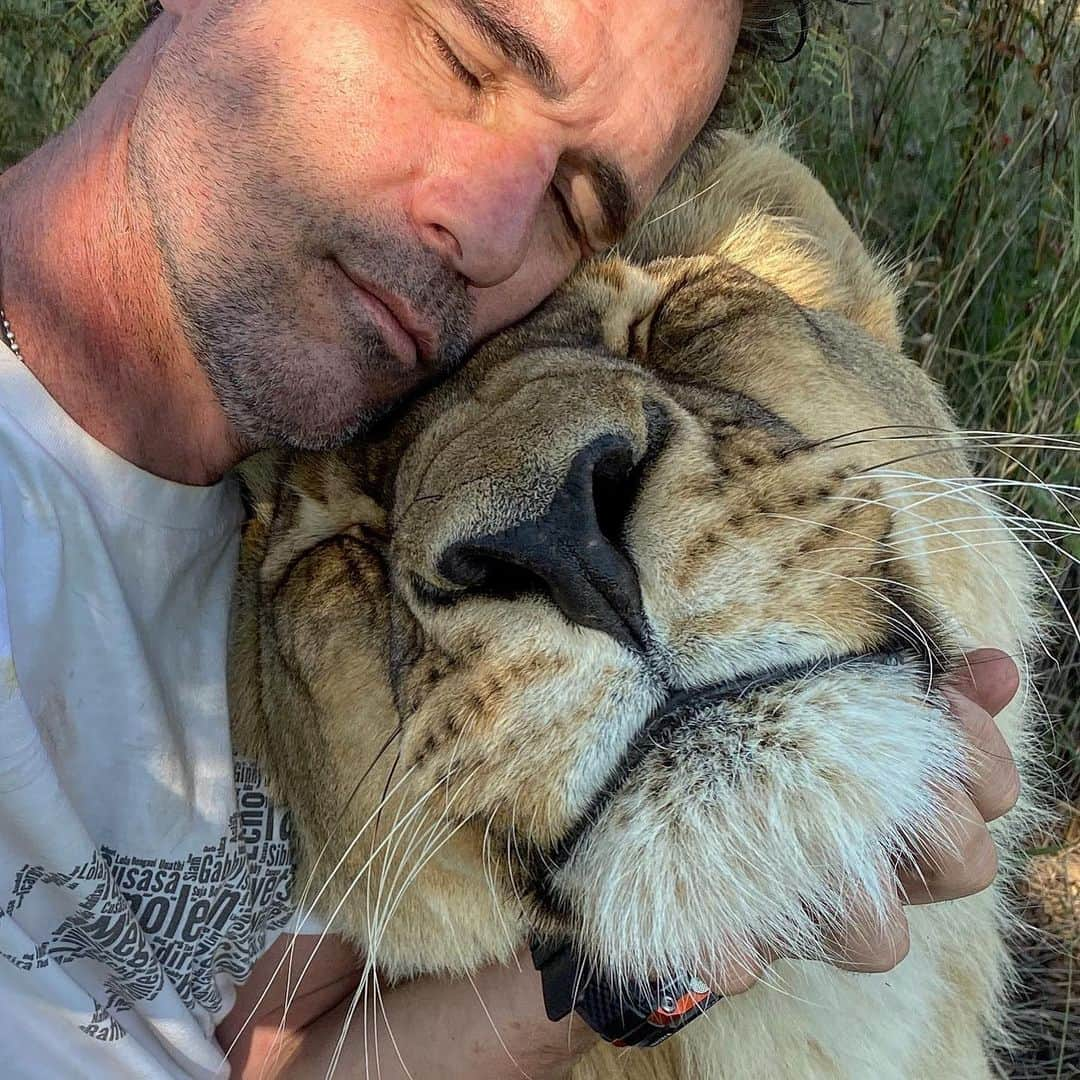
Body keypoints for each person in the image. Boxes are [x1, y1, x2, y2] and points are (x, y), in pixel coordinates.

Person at [0, 0, 1022, 1076]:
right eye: (459, 56)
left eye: (574, 206)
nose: (487, 233)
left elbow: (281, 1056)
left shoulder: (286, 533)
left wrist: (688, 944)